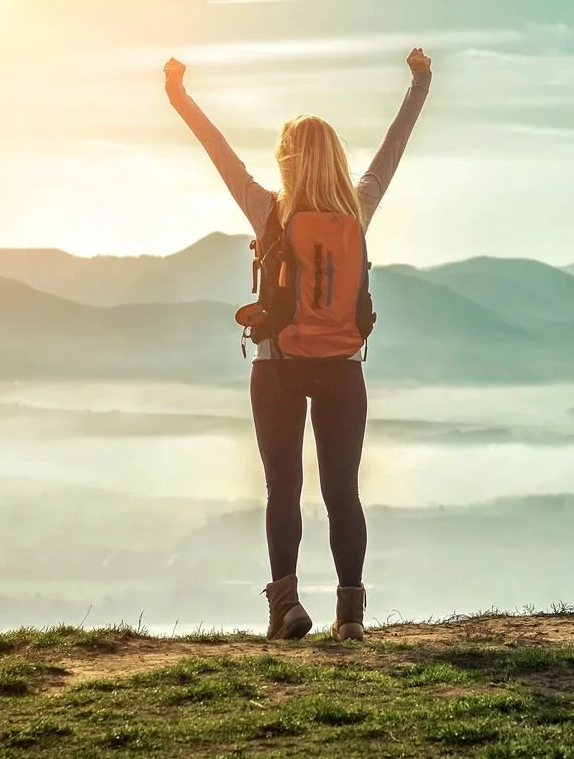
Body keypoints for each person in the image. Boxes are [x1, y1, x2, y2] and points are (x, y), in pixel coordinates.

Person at [164, 47, 432, 642]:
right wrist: (420, 83)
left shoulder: (270, 212)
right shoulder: (356, 208)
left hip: (277, 369)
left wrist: (179, 95)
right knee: (343, 493)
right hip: (342, 368)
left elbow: (219, 154)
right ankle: (352, 616)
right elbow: (395, 146)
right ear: (336, 158)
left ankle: (285, 606)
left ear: (287, 160)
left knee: (283, 486)